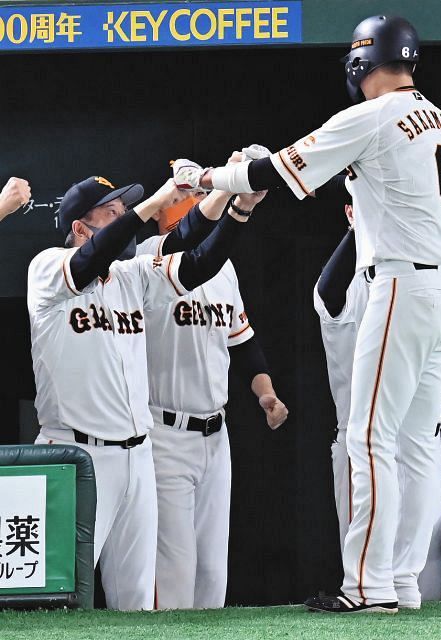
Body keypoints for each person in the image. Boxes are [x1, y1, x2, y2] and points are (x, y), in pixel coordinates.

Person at [177, 15, 441, 613]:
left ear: (363, 60)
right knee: (415, 444)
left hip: (404, 283)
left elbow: (273, 170)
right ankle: (403, 582)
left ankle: (367, 587)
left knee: (368, 437)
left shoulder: (375, 113)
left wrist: (204, 177)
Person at [28, 174, 253, 610]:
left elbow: (198, 260)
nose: (124, 220)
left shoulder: (131, 276)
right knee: (58, 601)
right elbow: (90, 258)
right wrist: (155, 203)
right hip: (75, 455)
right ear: (80, 226)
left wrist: (239, 208)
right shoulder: (48, 268)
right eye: (111, 213)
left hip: (138, 456)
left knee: (136, 603)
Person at [311, 182, 441, 606]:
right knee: (374, 572)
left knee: (420, 589)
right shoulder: (342, 283)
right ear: (350, 214)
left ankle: (391, 597)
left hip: (415, 445)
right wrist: (369, 208)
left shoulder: (414, 276)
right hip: (365, 446)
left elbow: (428, 340)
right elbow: (326, 291)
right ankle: (369, 593)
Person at [136, 170, 288, 608]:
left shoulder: (225, 269)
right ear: (162, 208)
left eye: (200, 191)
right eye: (187, 192)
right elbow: (190, 238)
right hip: (165, 432)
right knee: (175, 571)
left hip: (215, 436)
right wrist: (231, 197)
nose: (197, 199)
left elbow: (242, 342)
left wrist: (266, 392)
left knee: (211, 572)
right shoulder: (146, 257)